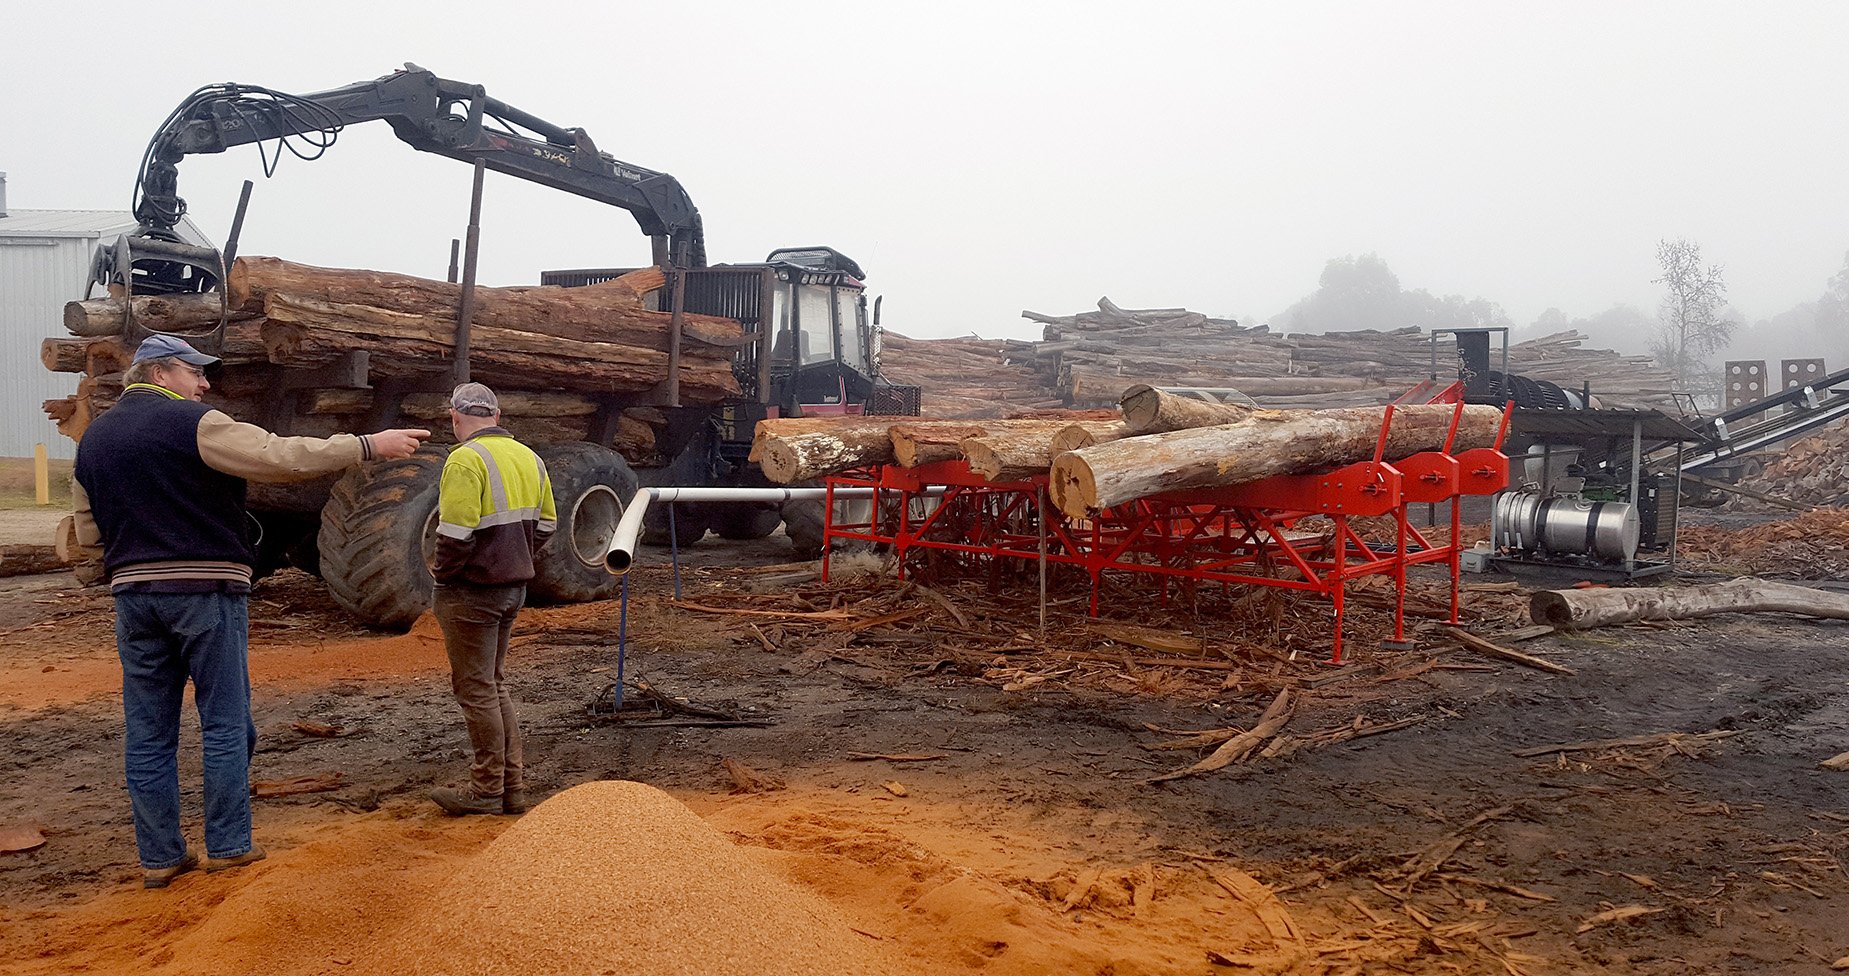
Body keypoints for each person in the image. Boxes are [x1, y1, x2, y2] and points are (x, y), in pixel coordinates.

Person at [73, 334, 430, 889]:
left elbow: (87, 529)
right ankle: (230, 845)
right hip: (205, 592)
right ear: (163, 374)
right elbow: (277, 457)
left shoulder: (94, 438)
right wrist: (365, 445)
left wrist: (130, 557)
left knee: (148, 732)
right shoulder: (195, 424)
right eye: (196, 373)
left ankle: (160, 857)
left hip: (134, 598)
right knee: (225, 722)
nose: (205, 384)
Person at [428, 382, 556, 816]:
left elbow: (455, 534)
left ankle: (486, 791)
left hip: (471, 592)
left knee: (476, 688)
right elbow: (547, 526)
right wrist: (515, 558)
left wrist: (444, 577)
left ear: (455, 416)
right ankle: (511, 787)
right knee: (494, 684)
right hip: (512, 590)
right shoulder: (531, 459)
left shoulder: (464, 460)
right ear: (497, 417)